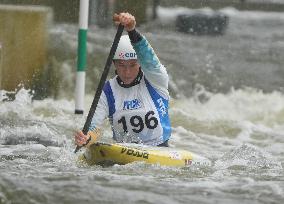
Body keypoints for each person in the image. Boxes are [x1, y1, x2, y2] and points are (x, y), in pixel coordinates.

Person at [75, 12, 171, 148]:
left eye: (132, 65)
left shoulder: (156, 79)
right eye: (121, 65)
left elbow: (147, 57)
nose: (127, 72)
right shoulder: (107, 91)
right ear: (114, 64)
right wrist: (86, 138)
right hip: (124, 152)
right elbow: (95, 127)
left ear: (140, 63)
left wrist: (131, 30)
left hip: (159, 148)